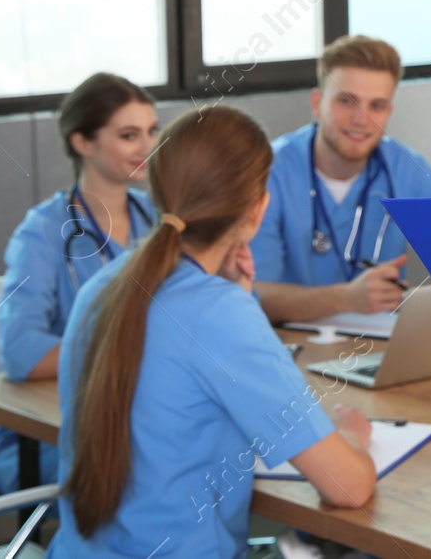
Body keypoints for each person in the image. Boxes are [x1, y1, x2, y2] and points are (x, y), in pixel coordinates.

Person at [48, 105, 375, 558]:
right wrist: (353, 436)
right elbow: (348, 487)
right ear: (257, 209)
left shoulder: (103, 287)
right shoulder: (220, 313)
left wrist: (238, 300)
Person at [0, 73, 158, 494]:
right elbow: (20, 354)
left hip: (139, 408)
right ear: (83, 142)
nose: (147, 146)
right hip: (53, 431)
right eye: (128, 135)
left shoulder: (158, 220)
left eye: (152, 131)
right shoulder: (43, 231)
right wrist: (130, 346)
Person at [252, 35, 431, 323]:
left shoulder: (407, 168)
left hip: (378, 348)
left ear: (389, 112)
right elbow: (250, 296)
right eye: (347, 101)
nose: (362, 120)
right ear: (317, 103)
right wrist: (346, 298)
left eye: (377, 106)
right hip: (291, 345)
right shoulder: (270, 170)